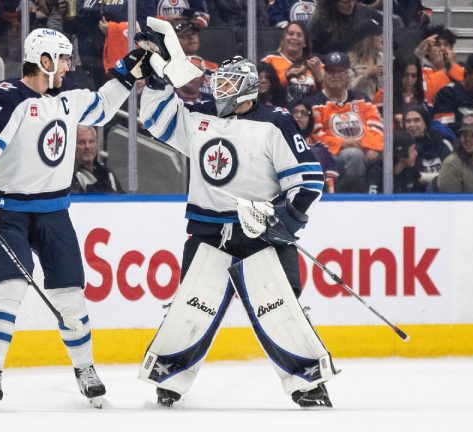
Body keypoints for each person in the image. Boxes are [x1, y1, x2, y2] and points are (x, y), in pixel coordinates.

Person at [137, 23, 335, 408]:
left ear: (248, 89)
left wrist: (287, 220)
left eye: (229, 85)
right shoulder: (197, 117)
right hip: (209, 230)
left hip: (261, 234)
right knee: (192, 304)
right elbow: (157, 119)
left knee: (281, 308)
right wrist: (158, 78)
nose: (219, 90)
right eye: (219, 83)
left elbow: (309, 180)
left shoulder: (275, 122)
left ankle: (308, 382)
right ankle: (171, 377)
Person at [0, 28, 149, 411]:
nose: (68, 66)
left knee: (71, 296)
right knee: (8, 290)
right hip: (10, 211)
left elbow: (103, 105)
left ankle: (86, 369)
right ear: (44, 60)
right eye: (63, 59)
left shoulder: (70, 98)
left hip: (54, 212)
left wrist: (129, 69)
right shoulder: (8, 97)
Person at [304, 51, 383, 192]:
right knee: (354, 155)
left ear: (348, 75)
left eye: (340, 72)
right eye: (330, 71)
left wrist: (371, 147)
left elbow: (376, 125)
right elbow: (315, 135)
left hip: (364, 150)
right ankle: (352, 200)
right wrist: (342, 143)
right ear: (324, 75)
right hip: (332, 155)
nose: (335, 76)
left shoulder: (361, 99)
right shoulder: (314, 103)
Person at [261, 21, 323, 102]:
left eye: (299, 35)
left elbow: (329, 96)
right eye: (291, 34)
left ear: (305, 43)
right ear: (283, 39)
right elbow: (262, 88)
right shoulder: (269, 59)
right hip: (278, 110)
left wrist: (320, 80)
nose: (294, 38)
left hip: (307, 112)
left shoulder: (315, 64)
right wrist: (286, 76)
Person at [289, 99, 339, 192]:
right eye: (295, 112)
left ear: (309, 119)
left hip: (316, 192)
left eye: (304, 113)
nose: (299, 116)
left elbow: (330, 169)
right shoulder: (277, 139)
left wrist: (330, 192)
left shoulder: (318, 144)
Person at [71, 125, 124, 193]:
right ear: (73, 146)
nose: (87, 146)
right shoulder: (69, 176)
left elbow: (125, 200)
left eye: (91, 142)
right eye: (82, 142)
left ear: (97, 144)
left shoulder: (107, 172)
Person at [348, 18, 383, 101]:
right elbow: (348, 89)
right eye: (377, 35)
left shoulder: (384, 58)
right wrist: (366, 75)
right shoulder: (349, 61)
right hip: (360, 106)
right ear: (367, 39)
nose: (382, 37)